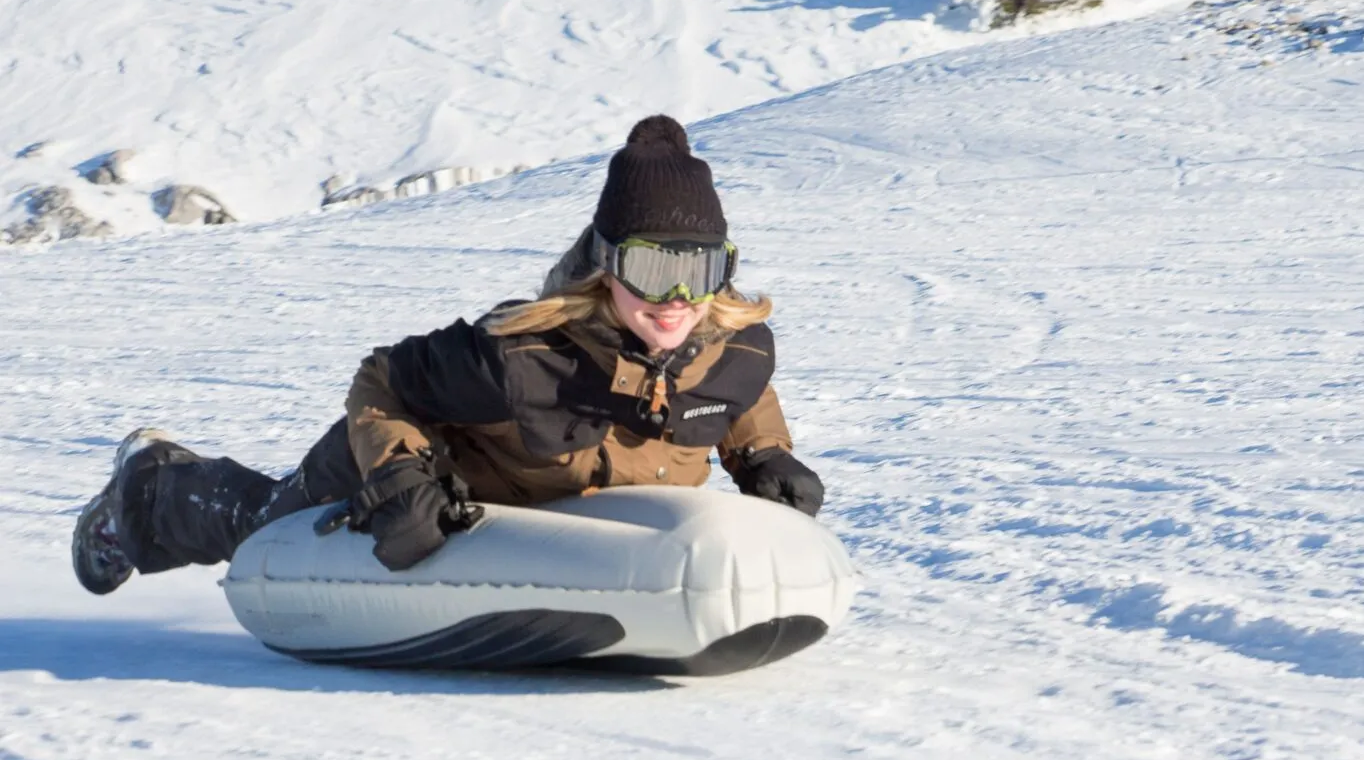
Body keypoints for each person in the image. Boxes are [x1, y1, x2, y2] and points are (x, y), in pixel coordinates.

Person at [72, 115, 824, 595]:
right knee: (262, 525)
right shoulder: (518, 357)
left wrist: (764, 458)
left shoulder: (737, 348)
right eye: (654, 268)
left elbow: (738, 390)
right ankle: (144, 492)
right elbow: (382, 381)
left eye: (700, 270)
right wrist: (400, 477)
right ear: (606, 265)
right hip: (407, 481)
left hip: (553, 538)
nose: (677, 300)